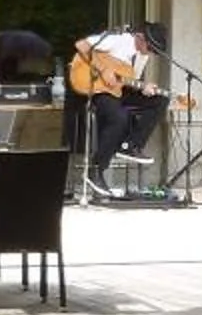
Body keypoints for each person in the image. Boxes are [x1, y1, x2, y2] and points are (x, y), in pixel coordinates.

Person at [69, 23, 166, 199]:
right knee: (119, 117)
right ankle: (96, 169)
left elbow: (125, 81)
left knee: (160, 100)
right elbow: (81, 45)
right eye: (150, 47)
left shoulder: (142, 57)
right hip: (99, 89)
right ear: (140, 37)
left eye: (154, 50)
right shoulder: (118, 40)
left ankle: (130, 145)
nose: (150, 52)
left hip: (117, 90)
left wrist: (143, 88)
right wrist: (104, 69)